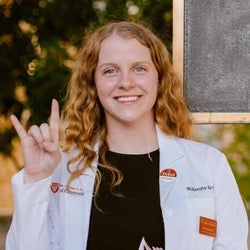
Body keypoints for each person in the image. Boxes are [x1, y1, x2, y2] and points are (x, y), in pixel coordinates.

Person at [6, 21, 248, 250]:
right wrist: (36, 180)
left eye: (139, 68)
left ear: (159, 77)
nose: (126, 82)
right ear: (93, 83)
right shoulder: (63, 170)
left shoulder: (209, 165)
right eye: (110, 71)